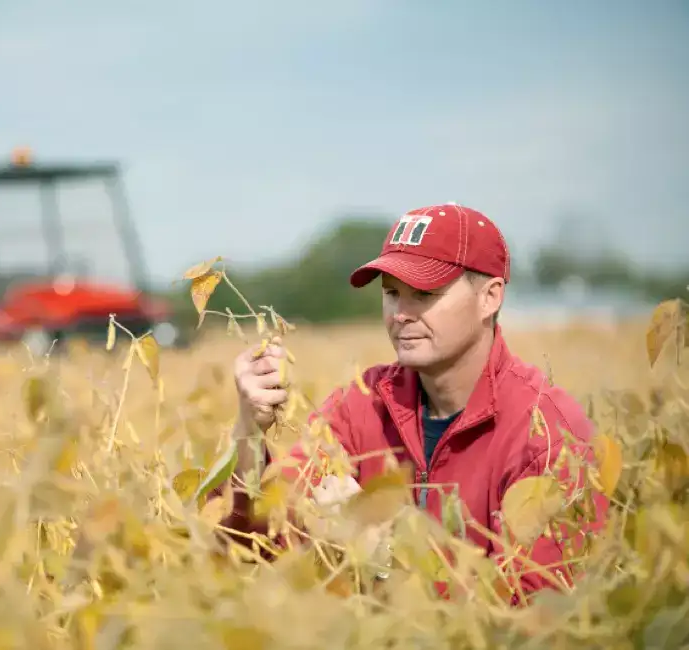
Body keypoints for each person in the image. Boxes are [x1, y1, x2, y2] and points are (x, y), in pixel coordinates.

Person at [218, 203, 609, 603]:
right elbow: (255, 546)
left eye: (425, 294)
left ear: (490, 297)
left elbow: (536, 612)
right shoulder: (362, 404)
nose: (401, 314)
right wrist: (249, 429)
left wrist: (382, 553)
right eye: (391, 293)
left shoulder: (548, 435)